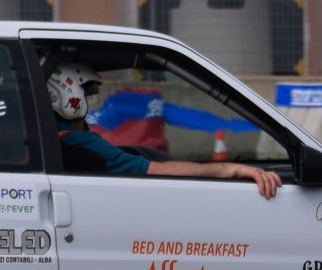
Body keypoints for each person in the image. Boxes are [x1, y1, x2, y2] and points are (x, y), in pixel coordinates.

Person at [48, 62, 281, 198]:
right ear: (67, 100)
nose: (94, 103)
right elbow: (158, 169)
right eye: (87, 96)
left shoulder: (55, 138)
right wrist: (229, 169)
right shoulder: (83, 144)